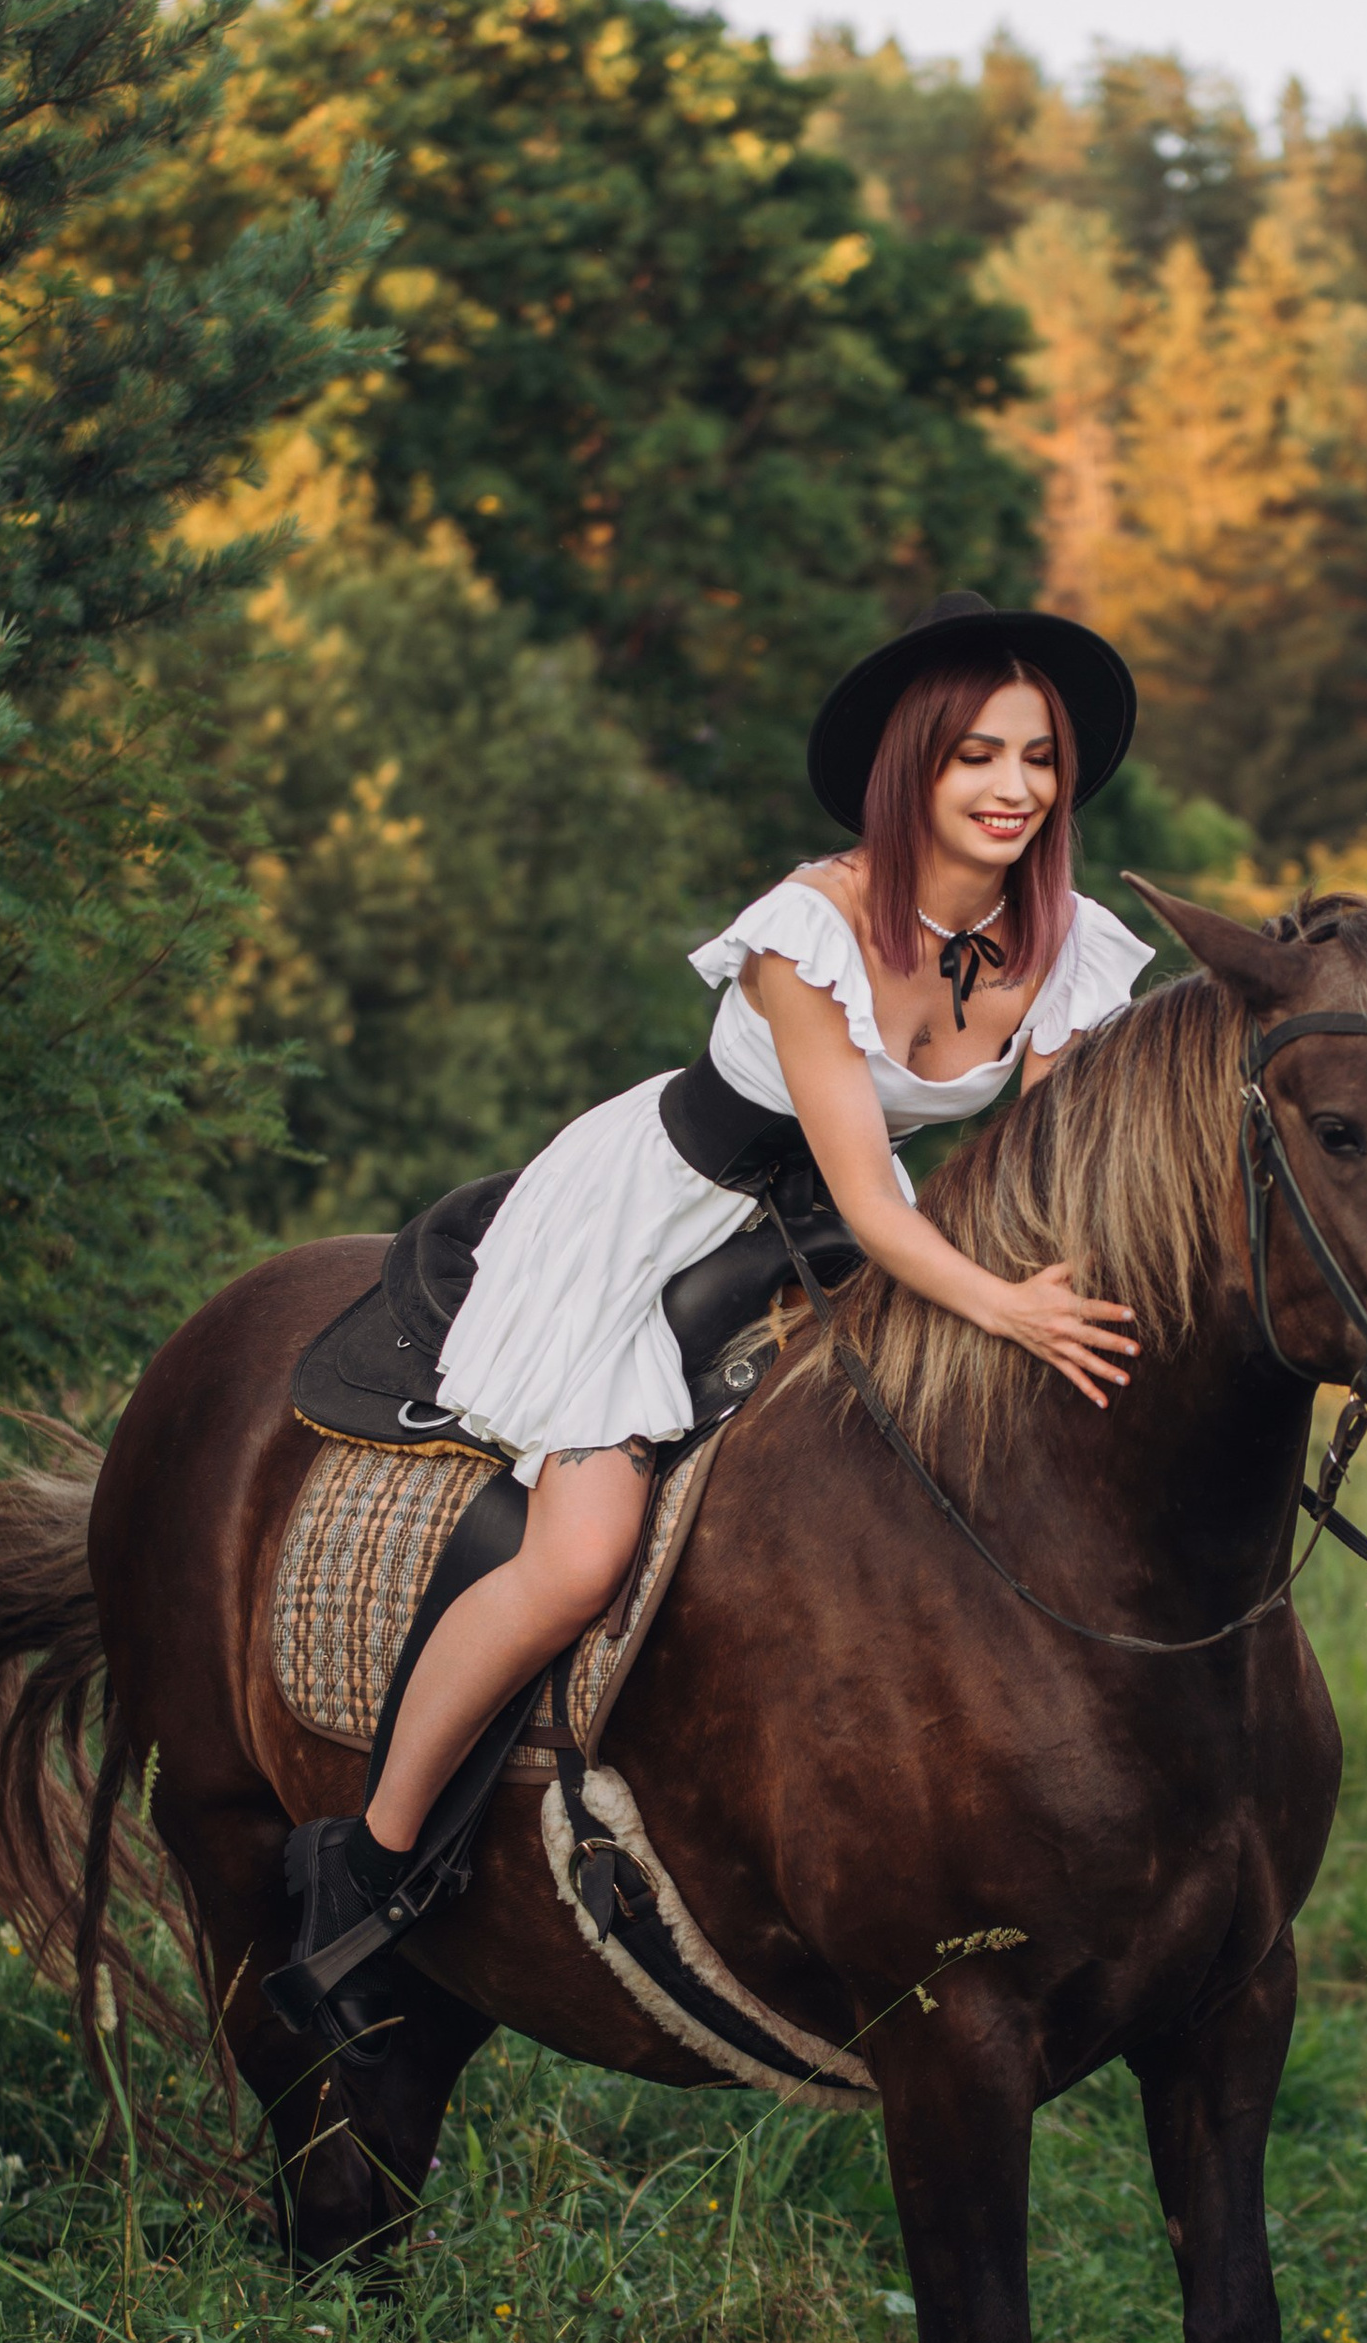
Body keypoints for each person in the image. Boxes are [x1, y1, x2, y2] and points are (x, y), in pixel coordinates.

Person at [285, 593, 1157, 1978]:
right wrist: (1004, 1306)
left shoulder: (1066, 940)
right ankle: (370, 1857)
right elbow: (867, 1195)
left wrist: (1074, 1288)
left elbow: (1049, 1162)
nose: (1014, 788)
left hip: (837, 1224)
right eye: (977, 755)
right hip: (668, 1214)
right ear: (912, 768)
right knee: (579, 1553)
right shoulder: (810, 930)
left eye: (1040, 758)